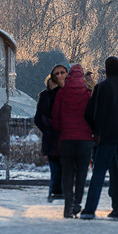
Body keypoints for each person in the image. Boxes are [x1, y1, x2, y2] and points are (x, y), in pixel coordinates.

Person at [79, 56, 118, 221]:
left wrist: (97, 129)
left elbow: (90, 113)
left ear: (106, 69)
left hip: (107, 135)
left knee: (99, 173)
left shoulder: (101, 88)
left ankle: (90, 209)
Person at [50, 64, 95, 218]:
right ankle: (77, 202)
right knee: (82, 172)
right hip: (85, 139)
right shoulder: (88, 94)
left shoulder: (62, 94)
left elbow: (55, 117)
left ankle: (68, 204)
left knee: (67, 173)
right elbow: (93, 115)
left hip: (66, 139)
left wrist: (61, 130)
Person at [34, 65, 68, 201]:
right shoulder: (46, 96)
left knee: (61, 167)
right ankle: (57, 191)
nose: (59, 76)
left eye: (62, 73)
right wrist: (48, 129)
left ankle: (58, 191)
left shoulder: (67, 93)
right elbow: (38, 118)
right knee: (56, 167)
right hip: (54, 137)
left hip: (61, 136)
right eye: (56, 74)